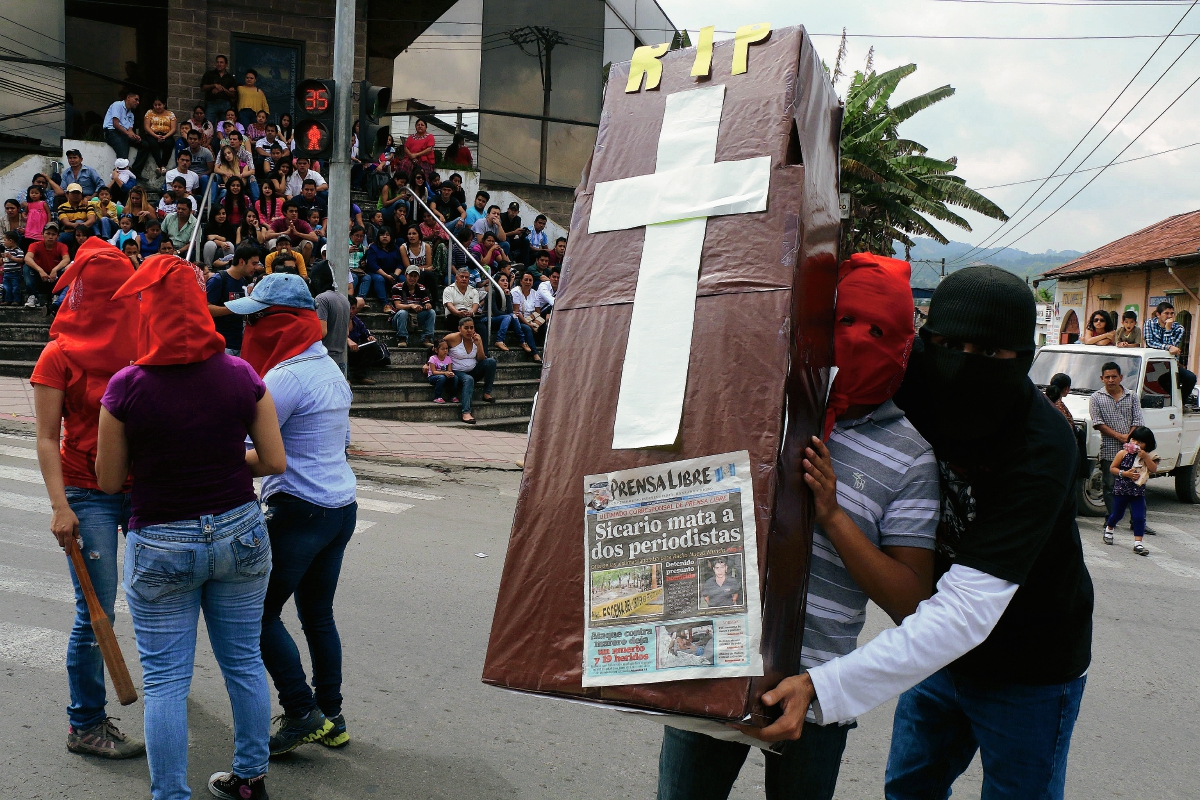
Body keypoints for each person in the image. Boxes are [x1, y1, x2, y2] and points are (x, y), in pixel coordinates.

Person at [733, 266, 1092, 800]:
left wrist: (823, 685)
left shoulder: (1042, 447)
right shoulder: (913, 371)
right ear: (925, 341)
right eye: (949, 344)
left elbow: (967, 610)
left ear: (1024, 357)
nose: (964, 362)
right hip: (936, 655)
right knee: (909, 789)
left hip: (1031, 664)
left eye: (989, 353)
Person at [657, 253, 938, 800]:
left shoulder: (910, 456)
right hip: (710, 664)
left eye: (879, 331)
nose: (857, 340)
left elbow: (911, 600)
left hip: (816, 693)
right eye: (845, 321)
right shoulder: (759, 402)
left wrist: (832, 515)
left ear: (904, 345)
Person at [96, 254, 286, 800]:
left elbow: (109, 480)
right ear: (201, 311)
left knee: (165, 682)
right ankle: (250, 780)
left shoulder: (127, 386)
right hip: (240, 531)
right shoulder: (240, 374)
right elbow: (274, 460)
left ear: (149, 314)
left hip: (161, 539)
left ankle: (170, 795)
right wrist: (224, 461)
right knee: (244, 662)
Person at [221, 274, 357, 755]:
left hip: (300, 510)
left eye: (255, 319)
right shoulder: (329, 369)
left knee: (256, 614)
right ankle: (332, 716)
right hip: (340, 506)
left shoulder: (286, 378)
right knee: (318, 614)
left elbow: (255, 452)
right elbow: (342, 443)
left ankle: (301, 711)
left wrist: (202, 459)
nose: (249, 329)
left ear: (278, 322)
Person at [31, 239, 143, 760]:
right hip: (87, 492)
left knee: (159, 599)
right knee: (95, 611)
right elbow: (45, 437)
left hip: (146, 489)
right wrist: (61, 506)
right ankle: (86, 723)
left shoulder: (146, 343)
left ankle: (165, 688)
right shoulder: (57, 354)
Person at [1103, 426, 1158, 555]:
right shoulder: (1123, 453)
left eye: (1140, 442)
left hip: (1138, 492)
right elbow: (1113, 468)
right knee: (1118, 514)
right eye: (1134, 440)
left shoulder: (1148, 456)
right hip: (1122, 490)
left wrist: (1146, 457)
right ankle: (1109, 528)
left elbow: (1153, 469)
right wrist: (1125, 473)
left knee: (1139, 517)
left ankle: (1138, 543)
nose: (1136, 444)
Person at [207, 243, 260, 356]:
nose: (256, 267)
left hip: (239, 344)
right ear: (241, 262)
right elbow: (205, 309)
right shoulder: (218, 279)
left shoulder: (244, 281)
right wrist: (234, 308)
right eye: (254, 263)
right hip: (221, 345)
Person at [444, 316, 496, 424]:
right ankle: (466, 412)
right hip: (457, 372)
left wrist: (479, 344)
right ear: (459, 328)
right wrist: (428, 363)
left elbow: (481, 359)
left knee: (491, 362)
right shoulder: (452, 338)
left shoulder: (476, 338)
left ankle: (487, 392)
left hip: (473, 370)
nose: (469, 331)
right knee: (468, 379)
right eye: (466, 328)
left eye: (471, 328)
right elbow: (436, 347)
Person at [1143, 301, 1197, 403]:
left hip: (1170, 364)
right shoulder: (1149, 323)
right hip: (1152, 363)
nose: (1169, 316)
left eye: (1172, 313)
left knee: (1191, 378)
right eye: (1166, 313)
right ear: (1158, 314)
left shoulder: (1179, 328)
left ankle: (1181, 403)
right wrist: (1168, 347)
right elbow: (1150, 342)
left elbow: (1172, 349)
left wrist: (1168, 329)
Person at [310, 260, 352, 375]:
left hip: (324, 362)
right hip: (340, 361)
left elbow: (322, 332)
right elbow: (347, 332)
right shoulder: (344, 299)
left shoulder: (321, 299)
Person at [24, 222, 68, 313]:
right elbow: (27, 258)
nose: (50, 237)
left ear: (58, 236)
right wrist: (40, 270)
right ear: (42, 234)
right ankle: (33, 296)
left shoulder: (62, 246)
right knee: (26, 267)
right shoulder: (35, 245)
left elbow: (66, 259)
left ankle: (56, 296)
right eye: (48, 233)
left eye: (53, 234)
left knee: (66, 268)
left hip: (55, 278)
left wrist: (55, 269)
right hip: (40, 277)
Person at [390, 266, 435, 347]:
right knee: (403, 313)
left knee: (431, 312)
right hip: (398, 318)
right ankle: (402, 338)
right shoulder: (397, 287)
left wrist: (427, 306)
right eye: (410, 276)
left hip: (415, 317)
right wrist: (411, 306)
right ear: (405, 275)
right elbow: (397, 306)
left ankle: (426, 338)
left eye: (415, 276)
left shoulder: (421, 288)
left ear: (418, 277)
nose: (413, 278)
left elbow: (428, 303)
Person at [347, 298, 388, 384]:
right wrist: (347, 340)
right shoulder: (336, 319)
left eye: (353, 308)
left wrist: (370, 337)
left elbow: (365, 333)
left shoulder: (357, 321)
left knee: (373, 346)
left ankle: (360, 375)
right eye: (349, 308)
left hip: (354, 352)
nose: (351, 311)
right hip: (340, 353)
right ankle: (346, 377)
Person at [139, 97, 178, 176]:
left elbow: (174, 129)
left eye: (159, 105)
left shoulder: (170, 114)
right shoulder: (149, 113)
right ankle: (162, 166)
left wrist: (165, 136)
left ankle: (162, 165)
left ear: (164, 104)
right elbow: (146, 127)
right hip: (152, 134)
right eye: (155, 105)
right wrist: (156, 136)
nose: (157, 107)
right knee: (153, 144)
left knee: (169, 144)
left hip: (166, 135)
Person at [361, 227, 401, 300]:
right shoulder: (373, 248)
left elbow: (400, 264)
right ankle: (384, 302)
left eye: (387, 235)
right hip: (376, 272)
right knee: (379, 278)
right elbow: (373, 265)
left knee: (403, 278)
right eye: (382, 234)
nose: (385, 236)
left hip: (392, 273)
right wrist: (386, 276)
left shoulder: (396, 248)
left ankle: (403, 301)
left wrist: (395, 275)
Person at [102, 90, 141, 161]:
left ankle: (136, 167)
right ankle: (122, 166)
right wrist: (128, 133)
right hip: (112, 131)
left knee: (144, 145)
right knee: (122, 149)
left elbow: (130, 130)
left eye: (138, 100)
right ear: (128, 97)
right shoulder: (117, 105)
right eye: (136, 99)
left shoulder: (131, 114)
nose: (137, 102)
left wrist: (135, 136)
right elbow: (115, 124)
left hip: (123, 133)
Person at [201, 55, 238, 121]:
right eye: (217, 62)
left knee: (226, 124)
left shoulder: (230, 78)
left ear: (226, 64)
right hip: (212, 102)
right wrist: (214, 85)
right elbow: (203, 88)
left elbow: (233, 95)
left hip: (225, 103)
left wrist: (223, 89)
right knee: (208, 123)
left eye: (221, 62)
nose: (219, 64)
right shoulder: (209, 74)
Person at [425, 339, 455, 403]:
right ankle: (437, 397)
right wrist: (445, 373)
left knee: (455, 378)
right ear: (436, 350)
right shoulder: (432, 358)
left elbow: (449, 370)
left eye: (446, 348)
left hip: (444, 376)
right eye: (443, 349)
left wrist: (450, 374)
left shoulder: (448, 358)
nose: (445, 351)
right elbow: (434, 372)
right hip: (433, 377)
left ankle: (452, 396)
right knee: (441, 377)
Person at [2, 230, 24, 305]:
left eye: (5, 240)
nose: (4, 242)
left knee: (15, 288)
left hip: (15, 273)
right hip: (6, 273)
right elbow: (5, 261)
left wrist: (11, 257)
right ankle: (7, 300)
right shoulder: (6, 250)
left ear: (11, 241)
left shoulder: (18, 250)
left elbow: (21, 260)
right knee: (6, 288)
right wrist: (3, 258)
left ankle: (16, 300)